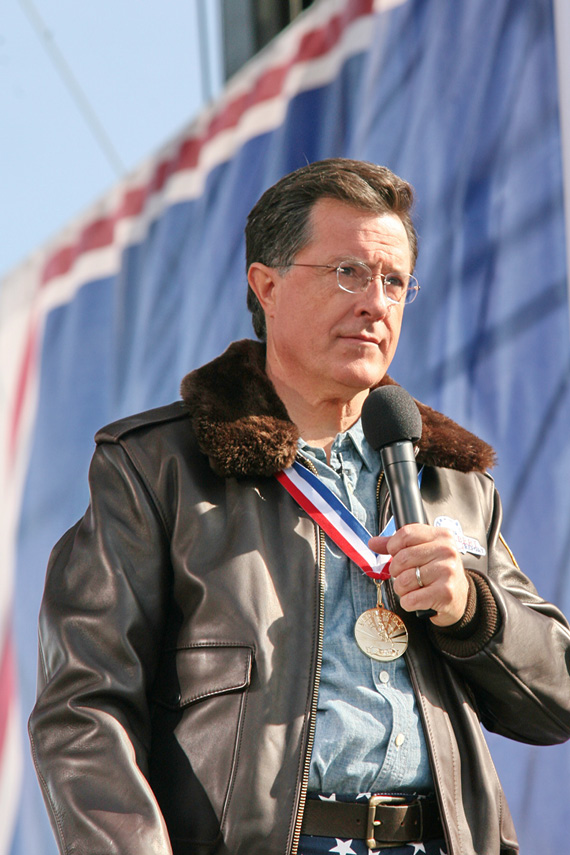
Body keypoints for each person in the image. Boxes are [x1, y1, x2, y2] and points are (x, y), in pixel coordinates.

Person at [29, 158, 570, 855]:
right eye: (348, 271)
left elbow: (555, 696)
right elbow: (82, 708)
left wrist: (471, 609)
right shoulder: (155, 467)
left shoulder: (451, 480)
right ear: (268, 285)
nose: (376, 301)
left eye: (394, 280)